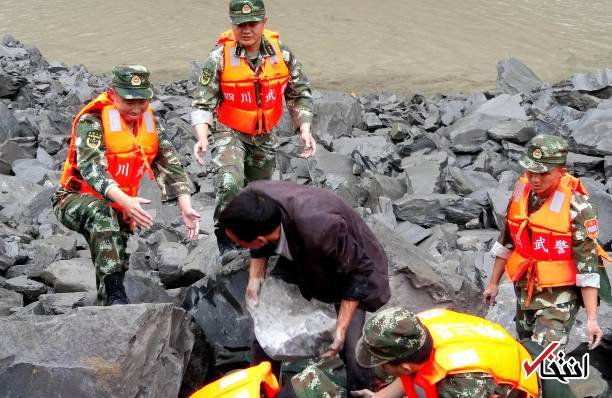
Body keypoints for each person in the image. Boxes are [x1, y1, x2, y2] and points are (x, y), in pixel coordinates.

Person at [218, 181, 391, 394]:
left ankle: (364, 391)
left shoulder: (322, 228)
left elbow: (357, 274)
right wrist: (255, 280)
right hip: (297, 253)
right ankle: (263, 389)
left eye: (240, 244)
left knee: (351, 347)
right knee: (266, 334)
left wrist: (340, 328)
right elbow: (256, 245)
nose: (239, 247)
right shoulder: (253, 200)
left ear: (260, 239)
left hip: (350, 265)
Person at [54, 65, 200, 306]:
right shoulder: (93, 121)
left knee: (115, 260)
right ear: (114, 93)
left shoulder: (150, 123)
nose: (136, 108)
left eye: (142, 101)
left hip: (122, 204)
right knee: (101, 214)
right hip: (73, 198)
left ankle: (108, 309)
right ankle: (115, 299)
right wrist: (125, 201)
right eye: (128, 100)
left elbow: (170, 164)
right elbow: (92, 169)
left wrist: (185, 205)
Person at [191, 0, 316, 262]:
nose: (246, 30)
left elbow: (299, 94)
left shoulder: (282, 54)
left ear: (264, 23)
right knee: (230, 181)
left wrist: (304, 129)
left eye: (252, 24)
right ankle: (225, 236)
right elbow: (203, 102)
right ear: (232, 25)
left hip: (264, 134)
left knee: (261, 192)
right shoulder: (219, 59)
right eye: (240, 25)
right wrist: (202, 136)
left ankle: (257, 241)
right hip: (230, 131)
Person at [483, 134, 611, 351]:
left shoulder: (578, 209)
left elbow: (587, 266)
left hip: (559, 297)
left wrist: (591, 319)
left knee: (545, 358)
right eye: (531, 171)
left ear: (561, 172)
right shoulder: (522, 193)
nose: (535, 179)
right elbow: (507, 241)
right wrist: (493, 283)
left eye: (543, 174)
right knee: (525, 349)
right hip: (525, 290)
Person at [292, 307, 539, 398]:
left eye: (382, 362)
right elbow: (410, 371)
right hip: (489, 351)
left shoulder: (461, 386)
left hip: (510, 384)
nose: (376, 366)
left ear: (406, 367)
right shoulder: (418, 327)